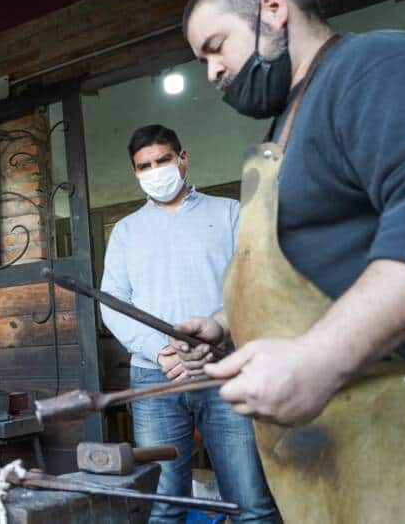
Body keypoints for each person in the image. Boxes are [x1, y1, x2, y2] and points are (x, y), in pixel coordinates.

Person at [178, 0, 405, 426]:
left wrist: (320, 357)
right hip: (349, 435)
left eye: (216, 46)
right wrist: (225, 325)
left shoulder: (372, 67)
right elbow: (312, 264)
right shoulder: (284, 128)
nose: (211, 72)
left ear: (273, 9)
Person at [99, 124, 277, 523]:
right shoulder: (126, 231)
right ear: (135, 173)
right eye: (144, 165)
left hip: (224, 370)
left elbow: (254, 286)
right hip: (155, 378)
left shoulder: (229, 213)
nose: (155, 170)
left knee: (250, 503)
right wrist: (160, 351)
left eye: (163, 159)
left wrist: (218, 335)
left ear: (183, 158)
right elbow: (111, 304)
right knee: (164, 507)